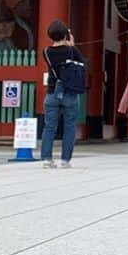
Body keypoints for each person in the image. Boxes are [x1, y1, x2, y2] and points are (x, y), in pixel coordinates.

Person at [40, 20, 88, 168]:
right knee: (69, 126)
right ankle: (65, 160)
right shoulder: (72, 51)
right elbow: (82, 64)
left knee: (49, 127)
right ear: (66, 35)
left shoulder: (46, 51)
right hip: (70, 93)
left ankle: (47, 159)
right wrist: (72, 44)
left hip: (53, 91)